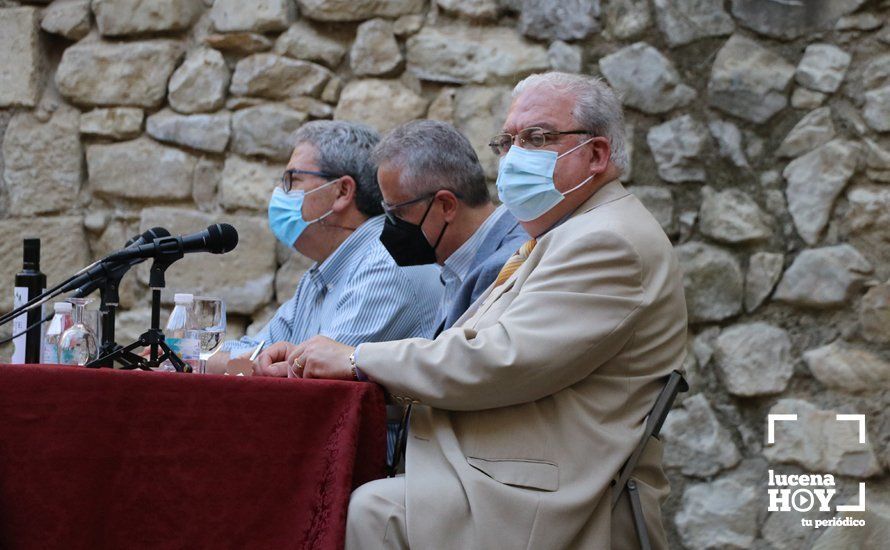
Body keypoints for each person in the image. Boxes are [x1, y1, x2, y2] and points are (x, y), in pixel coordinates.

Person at [256, 72, 688, 549]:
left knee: (370, 507)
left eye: (537, 137)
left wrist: (357, 360)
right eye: (506, 141)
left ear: (598, 155)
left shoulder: (607, 241)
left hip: (550, 494)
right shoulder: (567, 233)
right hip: (505, 469)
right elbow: (471, 351)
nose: (513, 154)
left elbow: (501, 360)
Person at [212, 120, 443, 374]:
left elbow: (316, 377)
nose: (279, 192)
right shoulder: (323, 273)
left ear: (342, 191)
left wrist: (254, 364)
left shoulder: (387, 262)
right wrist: (179, 354)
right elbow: (253, 352)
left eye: (293, 180)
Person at [373, 120, 528, 333]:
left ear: (446, 205)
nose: (392, 225)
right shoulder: (456, 265)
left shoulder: (503, 267)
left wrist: (356, 358)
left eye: (397, 212)